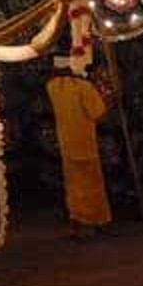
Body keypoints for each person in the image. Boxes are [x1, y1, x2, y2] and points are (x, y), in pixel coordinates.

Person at [46, 56, 112, 239]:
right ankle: (95, 221)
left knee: (73, 185)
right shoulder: (84, 88)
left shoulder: (52, 87)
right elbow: (97, 112)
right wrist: (108, 97)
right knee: (93, 185)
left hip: (67, 143)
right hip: (85, 144)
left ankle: (76, 220)